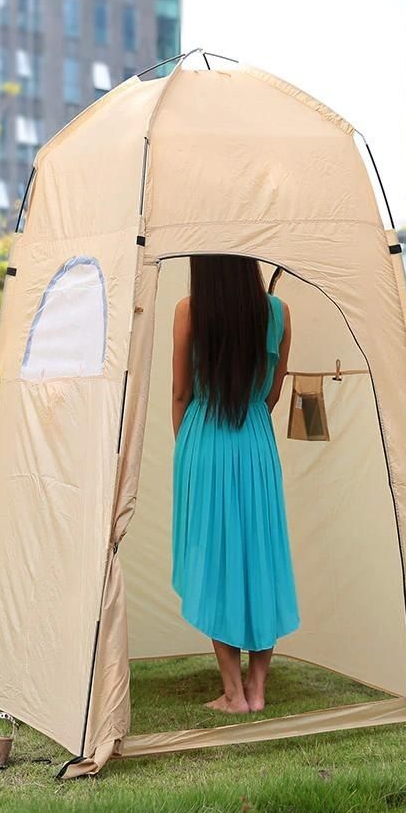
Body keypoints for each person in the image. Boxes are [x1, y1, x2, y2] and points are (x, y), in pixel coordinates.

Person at [171, 255, 300, 714]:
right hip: (257, 440)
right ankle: (257, 690)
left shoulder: (189, 310)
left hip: (204, 440)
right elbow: (273, 393)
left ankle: (232, 694)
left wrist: (184, 447)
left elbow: (182, 393)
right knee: (260, 556)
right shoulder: (279, 312)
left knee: (213, 557)